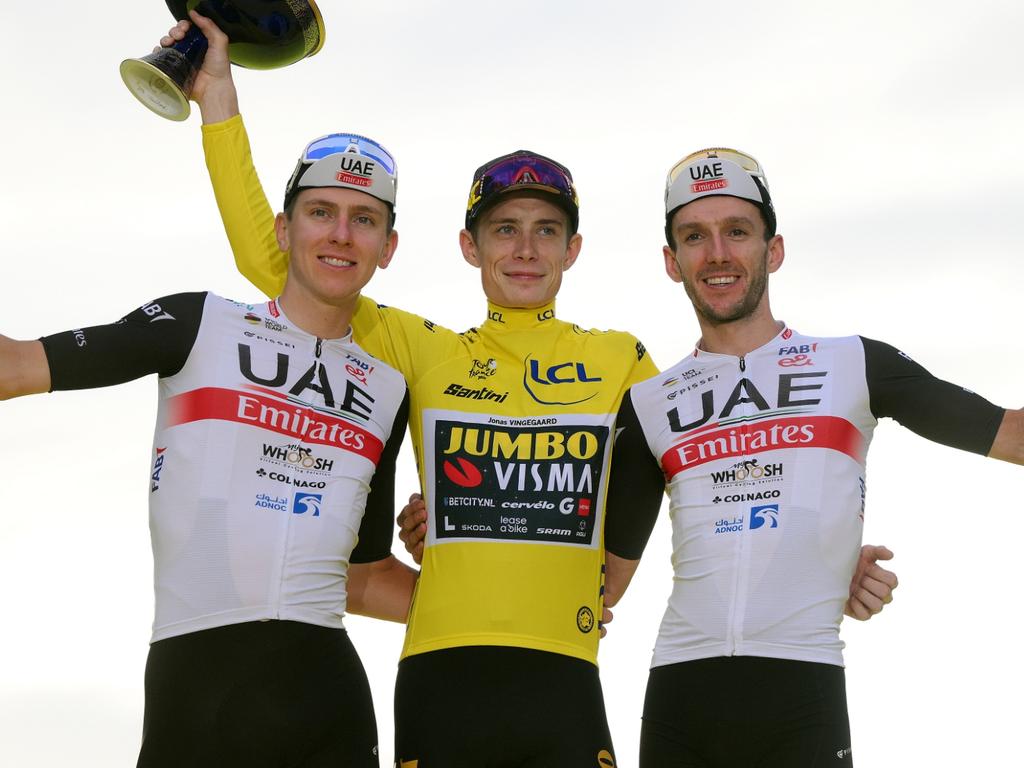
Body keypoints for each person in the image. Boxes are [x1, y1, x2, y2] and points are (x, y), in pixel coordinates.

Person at [166, 13, 898, 765]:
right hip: (438, 682)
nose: (524, 247)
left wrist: (821, 564)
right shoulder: (424, 351)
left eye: (546, 229)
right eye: (504, 227)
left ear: (573, 248)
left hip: (565, 682)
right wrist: (218, 99)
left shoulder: (621, 361)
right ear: (468, 245)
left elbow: (724, 468)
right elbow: (277, 263)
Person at [0, 128, 416, 767]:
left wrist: (515, 599)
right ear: (283, 229)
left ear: (386, 248)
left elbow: (362, 581)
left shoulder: (389, 389)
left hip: (329, 704)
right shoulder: (199, 323)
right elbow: (15, 366)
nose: (340, 234)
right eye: (320, 212)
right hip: (197, 693)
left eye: (364, 219)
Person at [607, 147, 1023, 767]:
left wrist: (822, 548)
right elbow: (596, 585)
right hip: (678, 695)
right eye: (695, 236)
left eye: (737, 232)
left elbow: (1011, 435)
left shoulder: (853, 361)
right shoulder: (647, 401)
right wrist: (453, 530)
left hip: (802, 691)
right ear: (673, 262)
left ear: (773, 250)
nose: (717, 253)